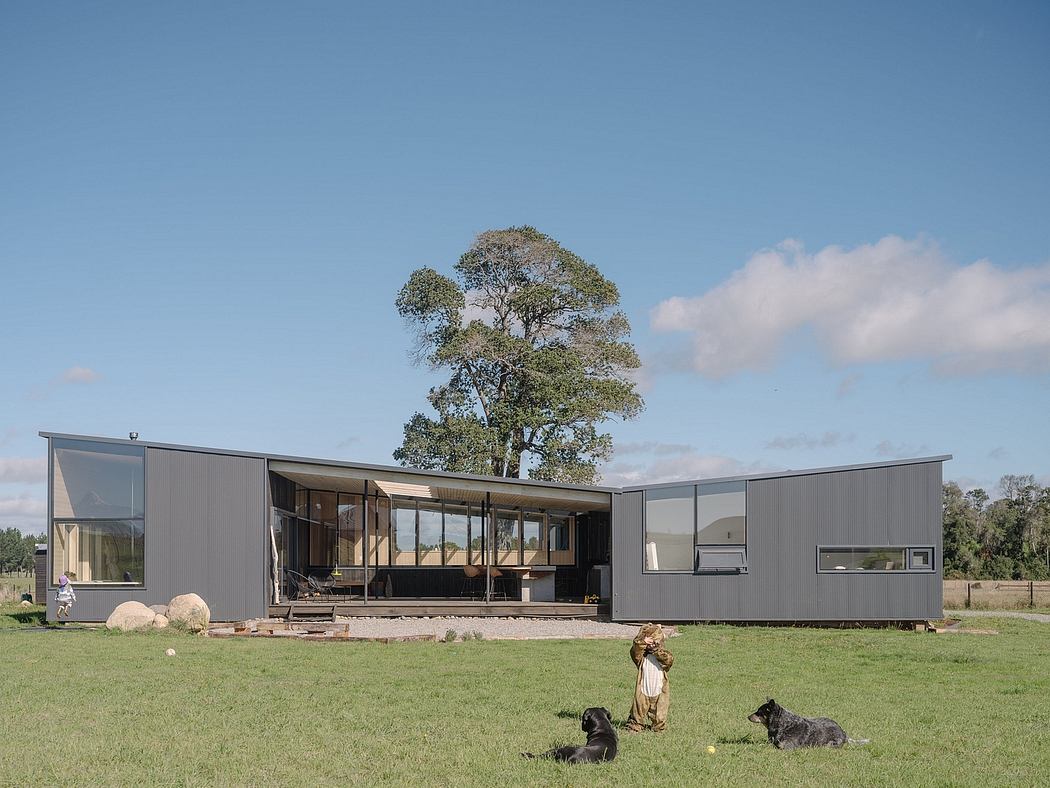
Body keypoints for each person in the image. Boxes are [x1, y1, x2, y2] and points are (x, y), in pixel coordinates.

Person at [625, 622, 674, 733]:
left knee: (660, 710)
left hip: (659, 687)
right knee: (639, 707)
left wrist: (656, 649)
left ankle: (658, 727)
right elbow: (635, 650)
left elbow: (668, 661)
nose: (650, 644)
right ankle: (635, 725)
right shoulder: (641, 657)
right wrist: (642, 642)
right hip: (643, 687)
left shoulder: (663, 655)